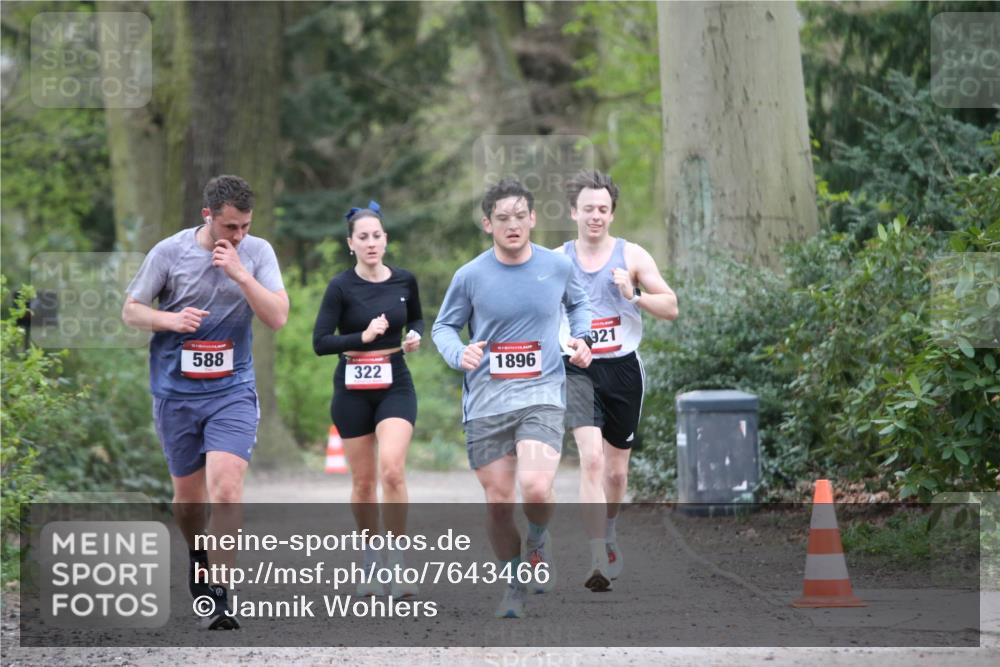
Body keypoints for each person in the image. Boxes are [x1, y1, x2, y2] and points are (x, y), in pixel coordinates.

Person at [122, 174, 289, 629]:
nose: (239, 235)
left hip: (232, 391)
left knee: (227, 488)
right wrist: (171, 320)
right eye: (230, 226)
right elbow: (131, 310)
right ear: (207, 217)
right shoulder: (169, 252)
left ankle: (219, 595)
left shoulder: (257, 253)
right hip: (176, 394)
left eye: (245, 226)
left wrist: (241, 273)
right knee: (189, 500)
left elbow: (277, 317)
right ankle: (199, 557)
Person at [432, 179, 593, 619]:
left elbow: (579, 305)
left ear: (533, 219)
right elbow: (443, 327)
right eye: (502, 218)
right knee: (499, 502)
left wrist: (582, 339)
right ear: (488, 224)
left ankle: (538, 539)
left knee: (536, 488)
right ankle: (513, 582)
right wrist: (458, 353)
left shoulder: (556, 267)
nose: (513, 224)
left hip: (542, 392)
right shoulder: (470, 275)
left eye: (520, 216)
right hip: (487, 400)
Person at [556, 170, 678, 586]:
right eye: (588, 208)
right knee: (591, 459)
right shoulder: (556, 261)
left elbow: (671, 307)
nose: (595, 216)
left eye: (603, 209)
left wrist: (634, 295)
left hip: (624, 369)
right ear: (573, 212)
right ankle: (596, 558)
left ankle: (608, 532)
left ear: (612, 214)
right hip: (578, 367)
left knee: (616, 473)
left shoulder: (633, 256)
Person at [312, 201, 423, 598]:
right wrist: (362, 337)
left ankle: (399, 563)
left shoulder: (405, 280)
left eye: (377, 236)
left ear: (386, 240)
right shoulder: (340, 287)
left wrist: (415, 335)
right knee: (363, 482)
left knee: (392, 470)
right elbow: (320, 342)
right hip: (352, 388)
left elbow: (417, 318)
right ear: (351, 244)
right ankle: (371, 560)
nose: (371, 243)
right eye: (363, 237)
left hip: (395, 382)